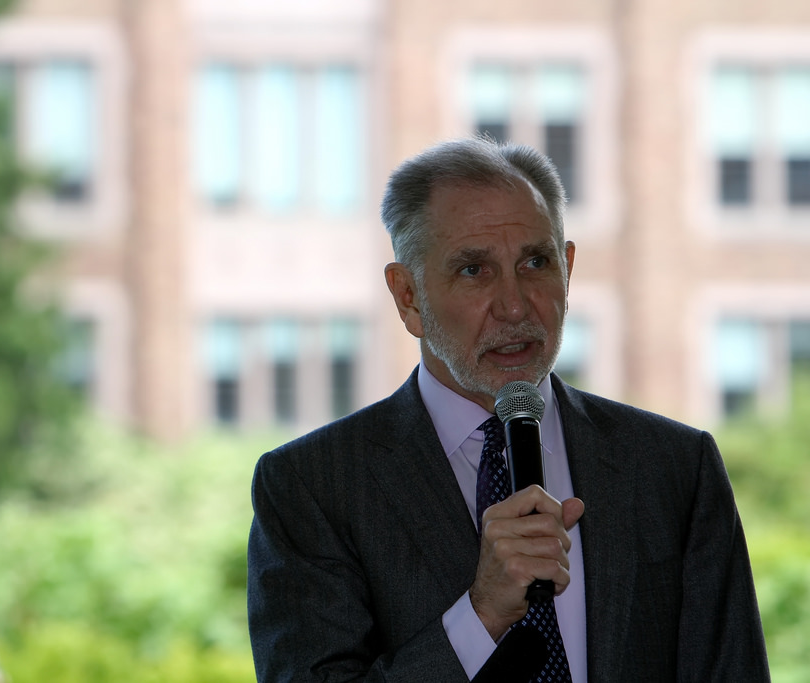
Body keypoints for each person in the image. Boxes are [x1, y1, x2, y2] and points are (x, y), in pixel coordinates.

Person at [246, 137, 770, 682]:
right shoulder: (311, 487)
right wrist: (481, 615)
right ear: (408, 297)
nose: (515, 306)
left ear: (567, 270)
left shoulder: (675, 465)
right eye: (474, 270)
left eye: (535, 262)